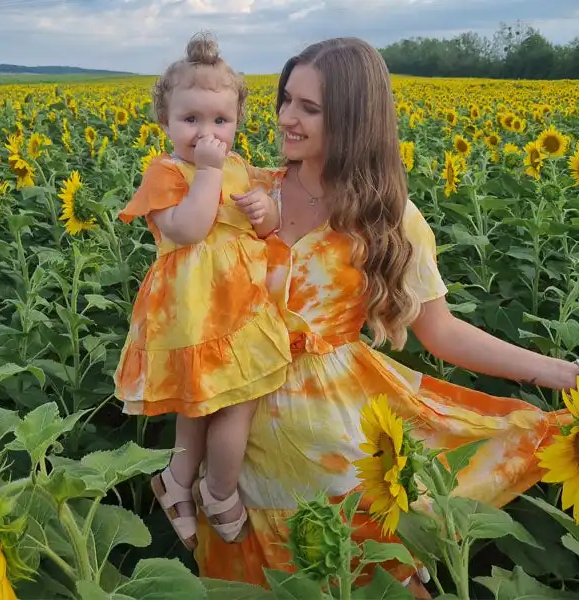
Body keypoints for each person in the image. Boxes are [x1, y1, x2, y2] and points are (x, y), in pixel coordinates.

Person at [192, 37, 579, 597]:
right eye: (286, 99)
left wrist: (561, 373)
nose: (286, 118)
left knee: (374, 577)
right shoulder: (244, 190)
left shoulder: (388, 218)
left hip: (339, 449)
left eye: (309, 108)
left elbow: (440, 330)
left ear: (353, 119)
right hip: (239, 447)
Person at [114, 33, 292, 550]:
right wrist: (209, 173)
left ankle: (180, 485)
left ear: (237, 120)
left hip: (241, 308)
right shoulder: (167, 172)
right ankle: (218, 491)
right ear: (164, 120)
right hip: (193, 316)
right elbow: (190, 229)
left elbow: (256, 230)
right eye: (191, 120)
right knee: (206, 410)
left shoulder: (236, 167)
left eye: (221, 120)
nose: (207, 133)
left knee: (223, 406)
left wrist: (267, 211)